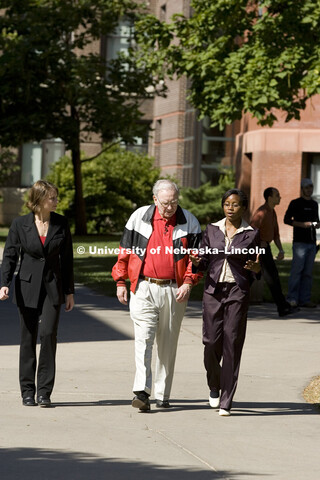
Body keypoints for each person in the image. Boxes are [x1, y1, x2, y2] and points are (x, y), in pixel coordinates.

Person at [112, 179, 202, 411]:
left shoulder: (189, 221)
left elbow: (198, 259)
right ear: (154, 199)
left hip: (175, 289)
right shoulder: (139, 217)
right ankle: (142, 392)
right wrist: (120, 280)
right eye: (165, 203)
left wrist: (189, 282)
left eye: (173, 202)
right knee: (144, 339)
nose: (169, 207)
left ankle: (162, 395)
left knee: (168, 343)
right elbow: (125, 251)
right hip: (143, 287)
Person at [0, 180, 74, 407]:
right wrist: (4, 282)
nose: (56, 201)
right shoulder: (20, 224)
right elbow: (10, 255)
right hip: (27, 286)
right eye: (52, 198)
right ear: (39, 199)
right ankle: (27, 392)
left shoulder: (61, 223)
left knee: (49, 334)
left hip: (53, 287)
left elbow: (68, 259)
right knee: (28, 338)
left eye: (56, 197)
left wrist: (69, 292)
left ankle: (44, 392)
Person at [190, 189, 260, 417]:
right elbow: (203, 261)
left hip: (238, 291)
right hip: (213, 290)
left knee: (232, 343)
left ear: (243, 208)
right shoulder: (211, 230)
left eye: (236, 204)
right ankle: (214, 384)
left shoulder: (252, 234)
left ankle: (226, 400)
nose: (231, 208)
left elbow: (260, 265)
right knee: (210, 342)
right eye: (227, 204)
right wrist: (197, 261)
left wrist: (257, 269)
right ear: (223, 206)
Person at [250, 187, 297, 317]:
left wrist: (281, 250)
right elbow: (251, 232)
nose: (279, 197)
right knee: (269, 278)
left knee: (268, 278)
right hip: (259, 250)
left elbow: (275, 234)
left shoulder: (272, 212)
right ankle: (282, 307)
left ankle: (283, 307)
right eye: (277, 195)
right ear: (269, 198)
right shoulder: (261, 213)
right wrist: (259, 246)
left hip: (266, 248)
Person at [284, 178, 320, 308]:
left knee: (308, 273)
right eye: (306, 187)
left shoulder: (315, 205)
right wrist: (302, 225)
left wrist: (316, 225)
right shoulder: (295, 203)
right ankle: (292, 298)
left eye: (311, 187)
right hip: (299, 243)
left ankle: (305, 299)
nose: (309, 189)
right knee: (297, 271)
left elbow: (316, 221)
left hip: (311, 243)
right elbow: (286, 220)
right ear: (302, 189)